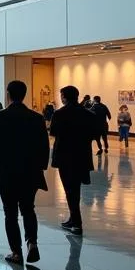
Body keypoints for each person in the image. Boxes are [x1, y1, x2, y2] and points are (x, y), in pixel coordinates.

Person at [0, 80, 50, 264]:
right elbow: (44, 145)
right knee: (28, 209)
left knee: (10, 213)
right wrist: (41, 166)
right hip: (30, 172)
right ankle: (32, 242)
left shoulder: (0, 116)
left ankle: (16, 252)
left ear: (8, 94)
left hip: (6, 173)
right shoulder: (36, 118)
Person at [49, 85, 100, 236]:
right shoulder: (88, 114)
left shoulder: (59, 113)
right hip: (81, 156)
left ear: (64, 97)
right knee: (75, 188)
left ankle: (77, 223)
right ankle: (73, 218)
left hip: (65, 156)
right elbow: (93, 134)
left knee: (70, 190)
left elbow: (53, 132)